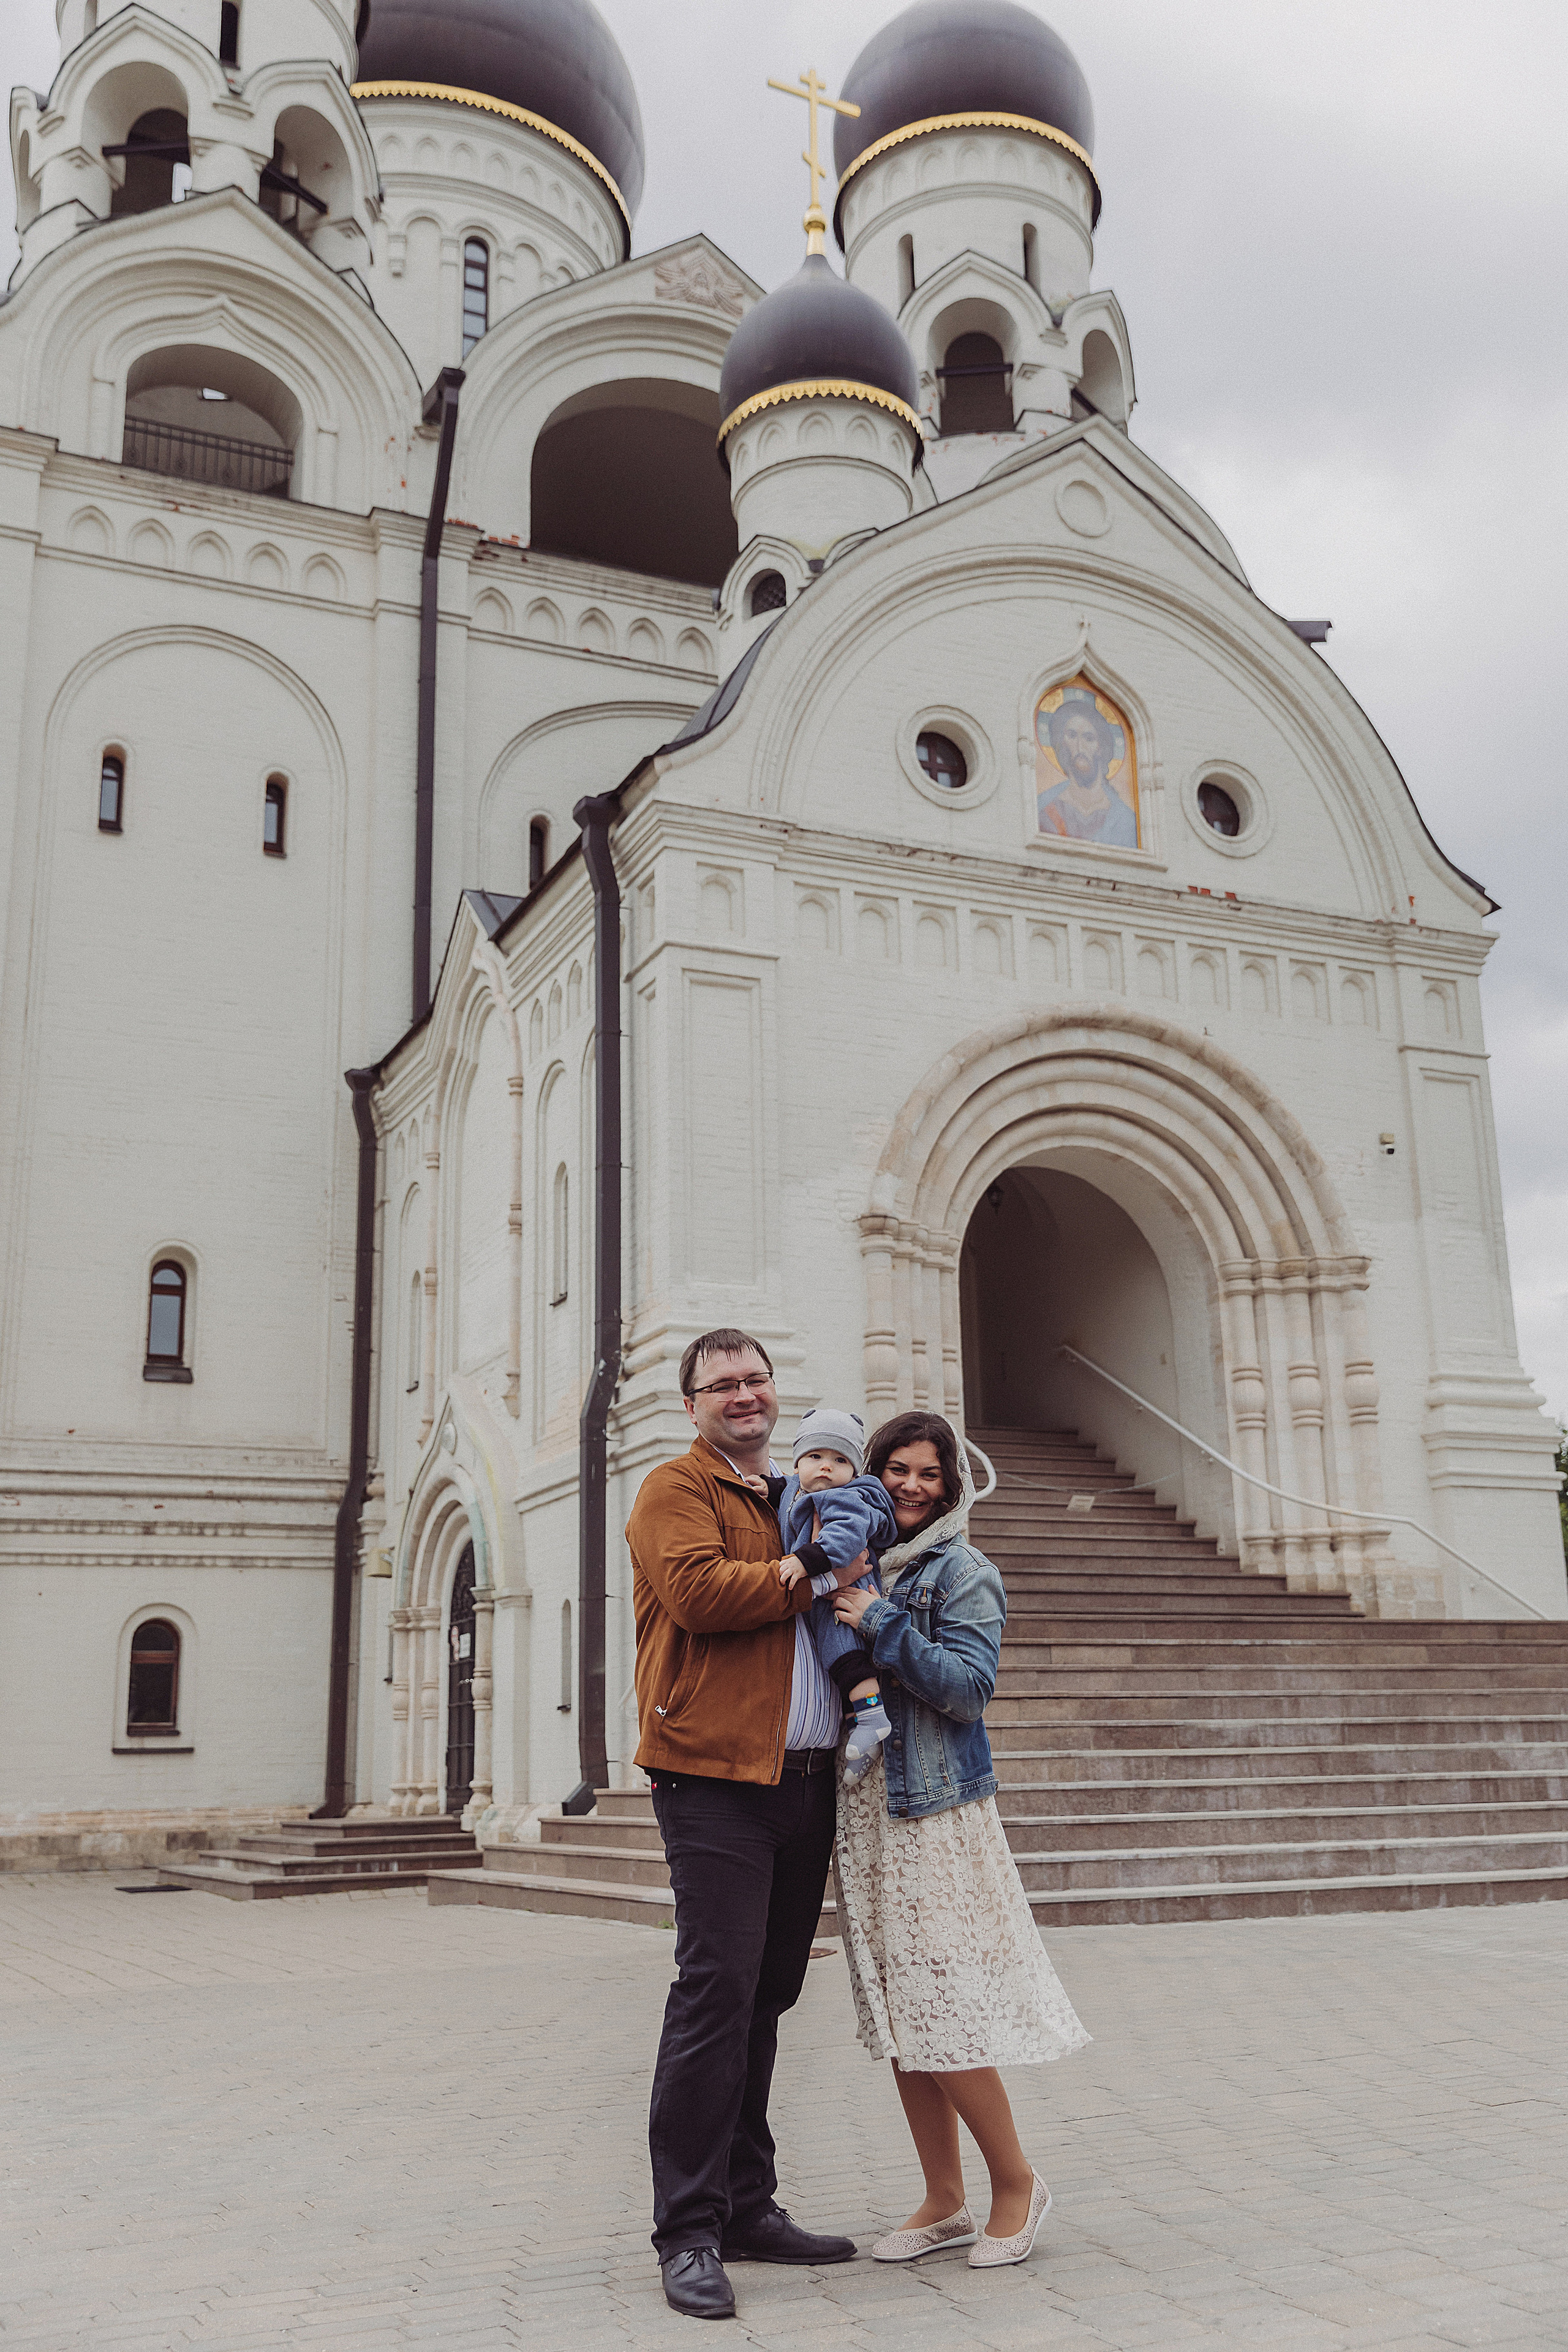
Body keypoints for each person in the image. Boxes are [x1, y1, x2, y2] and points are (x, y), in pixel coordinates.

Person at [627, 1330, 866, 2320]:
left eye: (755, 1379)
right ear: (691, 1404)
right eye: (721, 1384)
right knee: (714, 1993)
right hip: (713, 1779)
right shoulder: (675, 1490)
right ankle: (687, 2229)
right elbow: (698, 1594)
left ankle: (745, 2206)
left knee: (765, 1996)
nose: (742, 1394)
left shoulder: (796, 1493)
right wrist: (808, 1570)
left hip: (803, 1782)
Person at [829, 1411, 1090, 2269]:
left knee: (945, 2005)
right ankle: (943, 2196)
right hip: (868, 1815)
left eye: (928, 1474)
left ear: (952, 1484)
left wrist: (880, 1625)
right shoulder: (860, 1560)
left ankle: (1015, 2183)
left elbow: (969, 1692)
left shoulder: (964, 1571)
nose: (910, 1486)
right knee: (905, 2011)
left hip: (934, 1814)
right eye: (896, 1470)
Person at [775, 1406, 899, 1782]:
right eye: (815, 1456)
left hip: (847, 1591)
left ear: (855, 1470)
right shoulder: (798, 1488)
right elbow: (788, 1497)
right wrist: (771, 1486)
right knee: (832, 1666)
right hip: (823, 1593)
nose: (826, 1467)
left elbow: (846, 1539)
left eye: (839, 1459)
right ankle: (863, 1737)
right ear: (798, 1463)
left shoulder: (846, 1497)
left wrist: (805, 1560)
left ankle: (874, 1717)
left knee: (844, 1656)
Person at [1036, 692, 1138, 845]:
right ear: (1062, 743)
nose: (1080, 747)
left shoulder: (1124, 819)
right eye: (1072, 736)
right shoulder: (1045, 808)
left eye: (1089, 738)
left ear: (1101, 748)